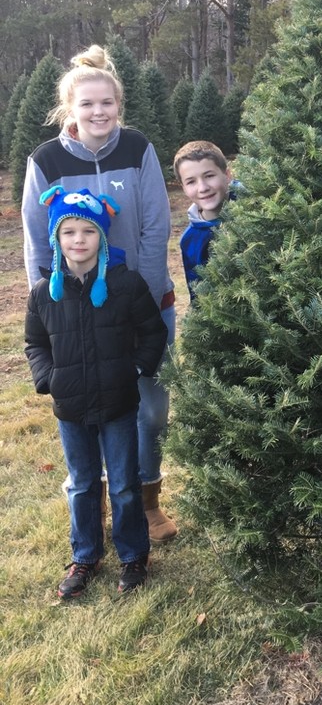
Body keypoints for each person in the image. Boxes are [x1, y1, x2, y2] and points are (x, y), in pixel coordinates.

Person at [21, 45, 178, 542]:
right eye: (88, 104)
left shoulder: (137, 149)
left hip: (140, 305)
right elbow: (35, 241)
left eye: (107, 103)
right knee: (87, 404)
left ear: (119, 104)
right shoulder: (44, 160)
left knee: (149, 411)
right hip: (78, 312)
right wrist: (51, 307)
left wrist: (148, 298)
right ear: (71, 108)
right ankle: (89, 501)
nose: (98, 112)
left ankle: (146, 498)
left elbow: (156, 224)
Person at [24, 186, 168, 597]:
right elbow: (35, 344)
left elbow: (152, 332)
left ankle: (133, 554)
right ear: (56, 239)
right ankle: (85, 555)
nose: (78, 240)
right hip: (70, 407)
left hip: (119, 403)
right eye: (68, 232)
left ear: (102, 238)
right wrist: (49, 379)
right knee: (83, 482)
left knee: (123, 482)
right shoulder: (44, 293)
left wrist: (135, 369)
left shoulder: (126, 285)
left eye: (87, 231)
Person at [173, 140, 237, 301]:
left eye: (209, 176)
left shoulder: (256, 208)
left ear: (227, 175)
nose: (202, 188)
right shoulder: (190, 240)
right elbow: (198, 296)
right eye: (191, 181)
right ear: (183, 188)